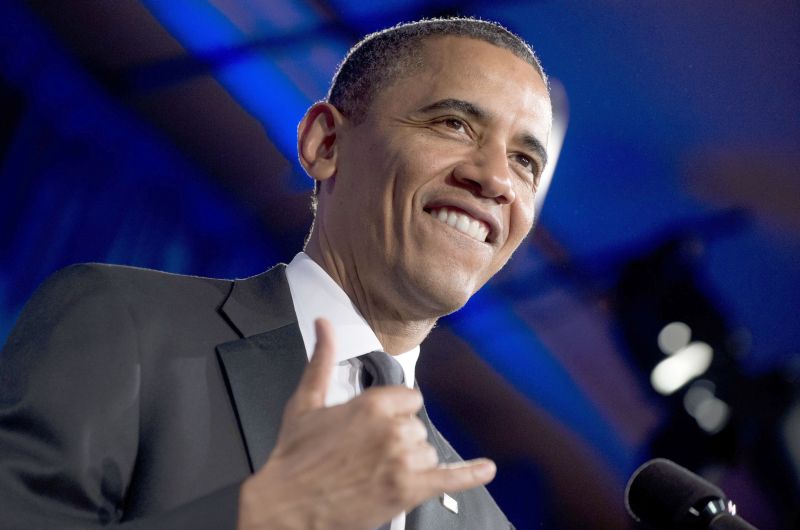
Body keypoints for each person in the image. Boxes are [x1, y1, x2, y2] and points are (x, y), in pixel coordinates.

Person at [0, 17, 551, 530]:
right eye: (453, 124)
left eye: (526, 162)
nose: (496, 178)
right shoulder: (125, 324)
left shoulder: (481, 519)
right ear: (325, 143)